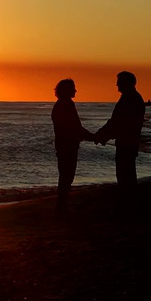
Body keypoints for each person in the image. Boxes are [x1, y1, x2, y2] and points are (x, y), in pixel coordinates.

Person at [95, 71, 145, 191]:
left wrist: (102, 135)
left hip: (127, 142)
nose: (117, 84)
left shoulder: (131, 99)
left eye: (119, 81)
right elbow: (117, 122)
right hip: (128, 141)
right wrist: (103, 134)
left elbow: (119, 122)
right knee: (126, 173)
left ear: (128, 83)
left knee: (125, 174)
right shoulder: (130, 97)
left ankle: (127, 202)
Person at [51, 79, 95, 212]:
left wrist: (91, 137)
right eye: (73, 88)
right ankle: (61, 207)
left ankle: (61, 206)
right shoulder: (65, 105)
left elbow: (75, 128)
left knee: (66, 176)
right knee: (66, 176)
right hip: (67, 146)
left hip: (65, 145)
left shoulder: (63, 104)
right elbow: (75, 127)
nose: (75, 91)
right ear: (66, 90)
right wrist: (93, 137)